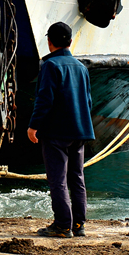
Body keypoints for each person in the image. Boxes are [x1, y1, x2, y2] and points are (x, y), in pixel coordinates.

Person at [28, 21, 95, 238]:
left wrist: (33, 126)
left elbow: (44, 100)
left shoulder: (50, 66)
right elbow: (88, 101)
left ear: (49, 42)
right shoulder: (82, 67)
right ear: (70, 41)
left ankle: (63, 225)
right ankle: (79, 225)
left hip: (56, 132)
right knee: (77, 178)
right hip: (79, 131)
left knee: (58, 180)